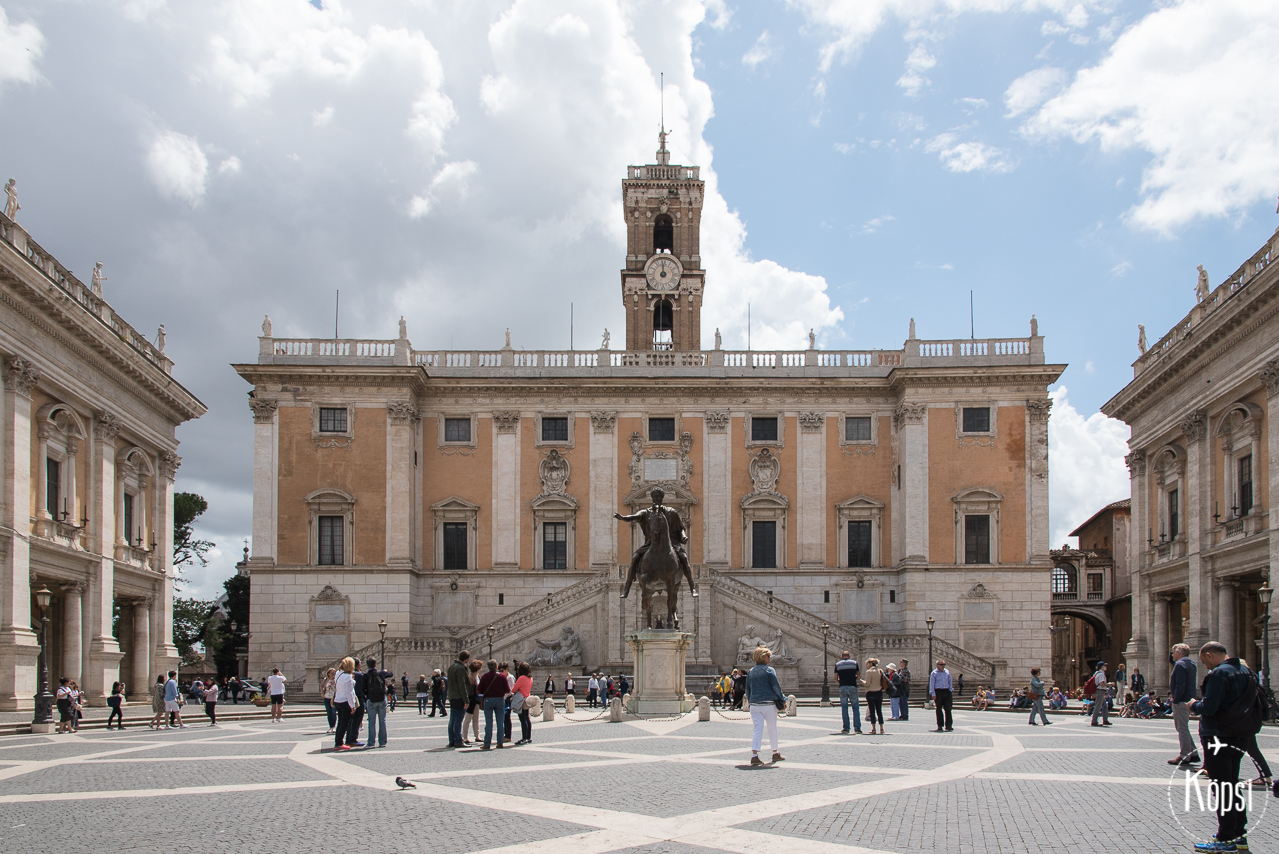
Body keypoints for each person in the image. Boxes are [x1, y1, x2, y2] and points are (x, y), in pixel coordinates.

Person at [1189, 641, 1258, 851]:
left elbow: (1209, 707)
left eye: (1205, 662)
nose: (1206, 667)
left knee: (1222, 789)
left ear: (1210, 655)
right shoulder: (1247, 672)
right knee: (1232, 785)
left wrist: (1194, 705)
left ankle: (1225, 838)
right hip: (1240, 736)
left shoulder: (1219, 674)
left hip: (1218, 736)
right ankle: (1239, 834)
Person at [745, 646, 785, 766]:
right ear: (763, 657)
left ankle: (754, 755)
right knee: (772, 728)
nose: (770, 658)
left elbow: (748, 689)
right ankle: (775, 753)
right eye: (768, 656)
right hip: (768, 704)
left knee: (757, 729)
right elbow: (776, 687)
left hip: (754, 705)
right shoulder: (769, 671)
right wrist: (782, 699)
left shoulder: (751, 672)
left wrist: (751, 700)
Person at [1169, 643, 1201, 766]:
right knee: (1184, 727)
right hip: (1189, 699)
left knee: (1181, 728)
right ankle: (1192, 753)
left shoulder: (1180, 665)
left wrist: (1175, 699)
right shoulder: (1191, 663)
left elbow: (1180, 685)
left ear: (1179, 653)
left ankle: (1184, 756)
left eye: (1174, 652)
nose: (1172, 654)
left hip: (1181, 700)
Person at [477, 659, 507, 749]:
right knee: (500, 722)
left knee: (489, 723)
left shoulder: (484, 676)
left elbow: (479, 689)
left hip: (488, 700)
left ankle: (487, 743)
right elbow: (507, 690)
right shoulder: (502, 676)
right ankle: (500, 742)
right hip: (500, 700)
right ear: (496, 666)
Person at [365, 658, 392, 748]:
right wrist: (385, 671)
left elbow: (364, 689)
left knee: (371, 722)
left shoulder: (366, 675)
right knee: (382, 720)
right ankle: (382, 742)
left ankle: (371, 743)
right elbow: (390, 674)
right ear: (376, 664)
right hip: (381, 699)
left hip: (371, 700)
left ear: (367, 665)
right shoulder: (381, 673)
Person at [446, 651, 471, 748]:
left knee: (452, 719)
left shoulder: (451, 667)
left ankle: (451, 740)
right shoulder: (460, 669)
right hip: (459, 696)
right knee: (458, 720)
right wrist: (466, 700)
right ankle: (458, 741)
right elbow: (462, 685)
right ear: (467, 659)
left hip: (452, 696)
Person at [333, 657, 359, 751]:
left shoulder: (338, 674)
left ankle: (338, 741)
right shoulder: (347, 677)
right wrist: (352, 706)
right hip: (345, 702)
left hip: (338, 700)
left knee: (340, 722)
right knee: (344, 723)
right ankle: (339, 743)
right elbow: (350, 692)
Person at [834, 651, 861, 734]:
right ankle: (857, 728)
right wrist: (853, 679)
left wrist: (840, 683)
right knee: (855, 708)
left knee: (844, 708)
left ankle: (846, 728)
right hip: (852, 686)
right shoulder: (854, 663)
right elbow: (859, 676)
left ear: (842, 656)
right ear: (849, 656)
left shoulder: (838, 664)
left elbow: (835, 677)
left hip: (842, 687)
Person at [861, 658, 886, 735]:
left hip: (871, 693)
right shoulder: (880, 671)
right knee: (879, 711)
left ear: (870, 664)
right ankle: (881, 728)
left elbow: (867, 684)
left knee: (872, 711)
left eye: (867, 664)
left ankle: (874, 728)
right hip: (879, 692)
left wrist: (862, 682)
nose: (866, 666)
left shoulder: (869, 672)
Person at [929, 659, 954, 732]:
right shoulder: (934, 673)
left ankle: (949, 725)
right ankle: (940, 725)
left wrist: (950, 689)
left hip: (946, 691)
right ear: (937, 665)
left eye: (944, 665)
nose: (943, 666)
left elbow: (950, 681)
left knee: (948, 708)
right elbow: (932, 684)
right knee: (939, 709)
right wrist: (933, 693)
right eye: (941, 665)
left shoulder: (947, 672)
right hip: (938, 691)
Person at [513, 662, 534, 744]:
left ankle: (524, 738)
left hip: (521, 700)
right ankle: (528, 737)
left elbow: (514, 689)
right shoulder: (530, 678)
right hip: (527, 699)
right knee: (527, 718)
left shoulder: (522, 678)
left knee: (523, 719)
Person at [1089, 661, 1112, 727]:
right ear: (1101, 667)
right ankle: (1094, 721)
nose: (1106, 667)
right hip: (1100, 691)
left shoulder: (1096, 673)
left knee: (1104, 706)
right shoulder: (1101, 674)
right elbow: (1102, 683)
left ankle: (1105, 719)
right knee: (1098, 706)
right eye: (1104, 666)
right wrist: (1108, 684)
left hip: (1097, 691)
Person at [321, 668, 337, 733]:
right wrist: (322, 692)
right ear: (329, 674)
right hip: (327, 698)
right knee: (329, 713)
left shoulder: (336, 680)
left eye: (335, 673)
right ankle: (330, 726)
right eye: (332, 673)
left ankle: (333, 727)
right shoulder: (326, 680)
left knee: (333, 712)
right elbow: (321, 685)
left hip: (334, 698)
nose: (334, 675)